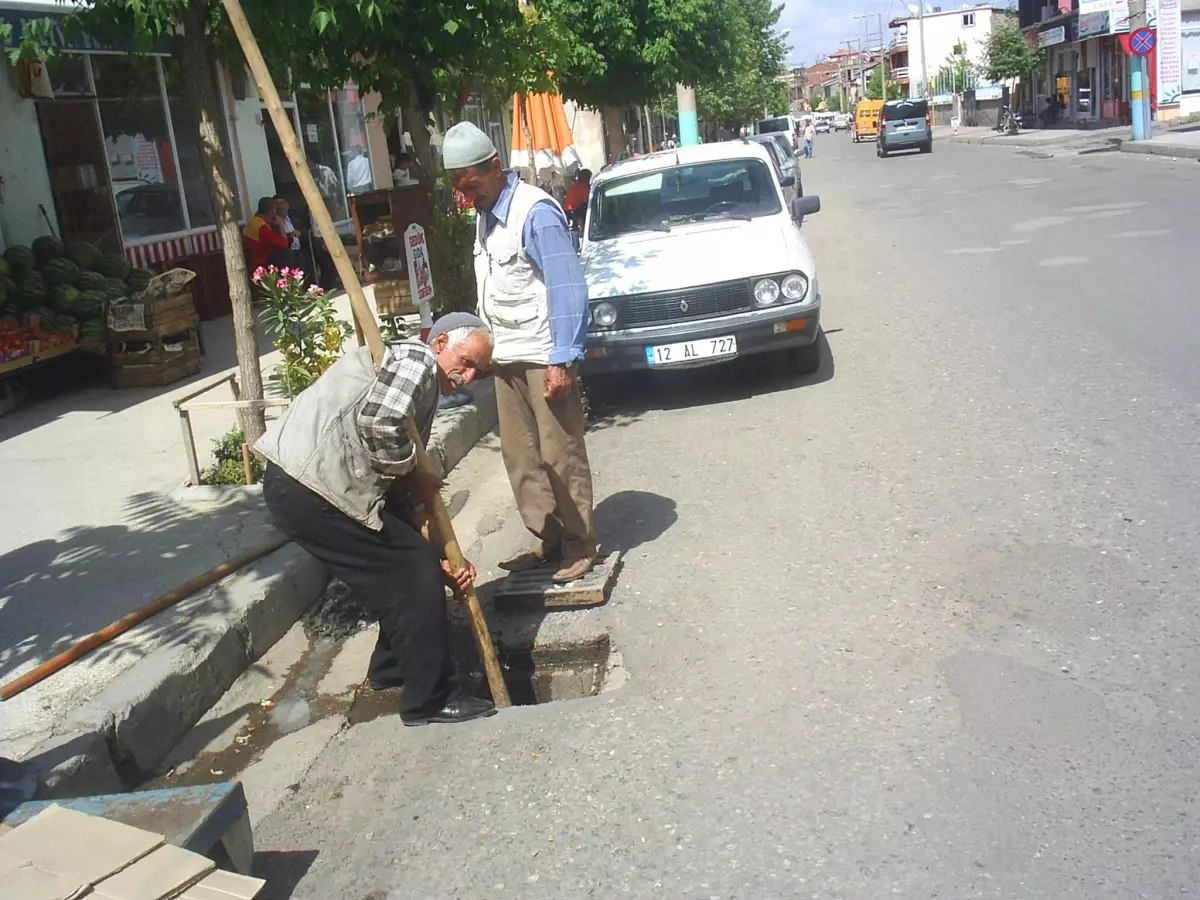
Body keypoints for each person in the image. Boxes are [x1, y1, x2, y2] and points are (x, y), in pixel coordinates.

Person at [256, 313, 498, 726]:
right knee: (411, 571)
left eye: (479, 370)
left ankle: (392, 667)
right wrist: (414, 472)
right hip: (311, 487)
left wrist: (441, 555)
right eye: (467, 360)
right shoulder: (416, 360)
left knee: (409, 564)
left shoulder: (416, 378)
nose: (469, 375)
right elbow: (378, 423)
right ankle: (429, 700)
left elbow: (401, 498)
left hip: (308, 487)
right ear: (440, 343)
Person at [443, 121, 596, 584]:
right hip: (505, 355)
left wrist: (562, 358)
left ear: (495, 167)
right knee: (521, 456)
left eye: (472, 185)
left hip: (542, 354)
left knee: (559, 452)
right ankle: (547, 538)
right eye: (459, 188)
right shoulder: (486, 212)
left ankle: (579, 543)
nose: (468, 196)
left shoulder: (536, 212)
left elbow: (568, 286)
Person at [244, 197, 295, 270]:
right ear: (272, 211)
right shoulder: (262, 227)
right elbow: (284, 244)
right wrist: (281, 224)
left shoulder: (254, 220)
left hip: (254, 258)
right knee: (287, 253)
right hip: (262, 261)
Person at [563, 168, 591, 233]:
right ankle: (582, 229)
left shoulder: (576, 185)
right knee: (586, 208)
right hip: (573, 209)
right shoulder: (584, 186)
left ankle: (576, 226)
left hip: (567, 209)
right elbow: (588, 200)